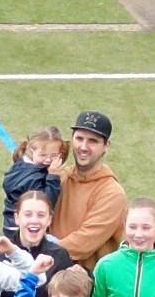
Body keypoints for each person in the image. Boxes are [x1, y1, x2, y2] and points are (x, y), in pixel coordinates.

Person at [48, 110, 126, 271]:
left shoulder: (112, 193)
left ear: (106, 146)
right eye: (79, 138)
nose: (83, 147)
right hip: (47, 273)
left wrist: (40, 250)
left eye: (92, 141)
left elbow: (82, 244)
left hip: (83, 286)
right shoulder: (59, 177)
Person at [1, 126, 65, 231]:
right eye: (43, 155)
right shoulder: (34, 178)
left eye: (54, 155)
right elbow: (46, 202)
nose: (48, 160)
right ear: (31, 151)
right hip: (22, 229)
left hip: (10, 223)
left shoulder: (21, 165)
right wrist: (53, 176)